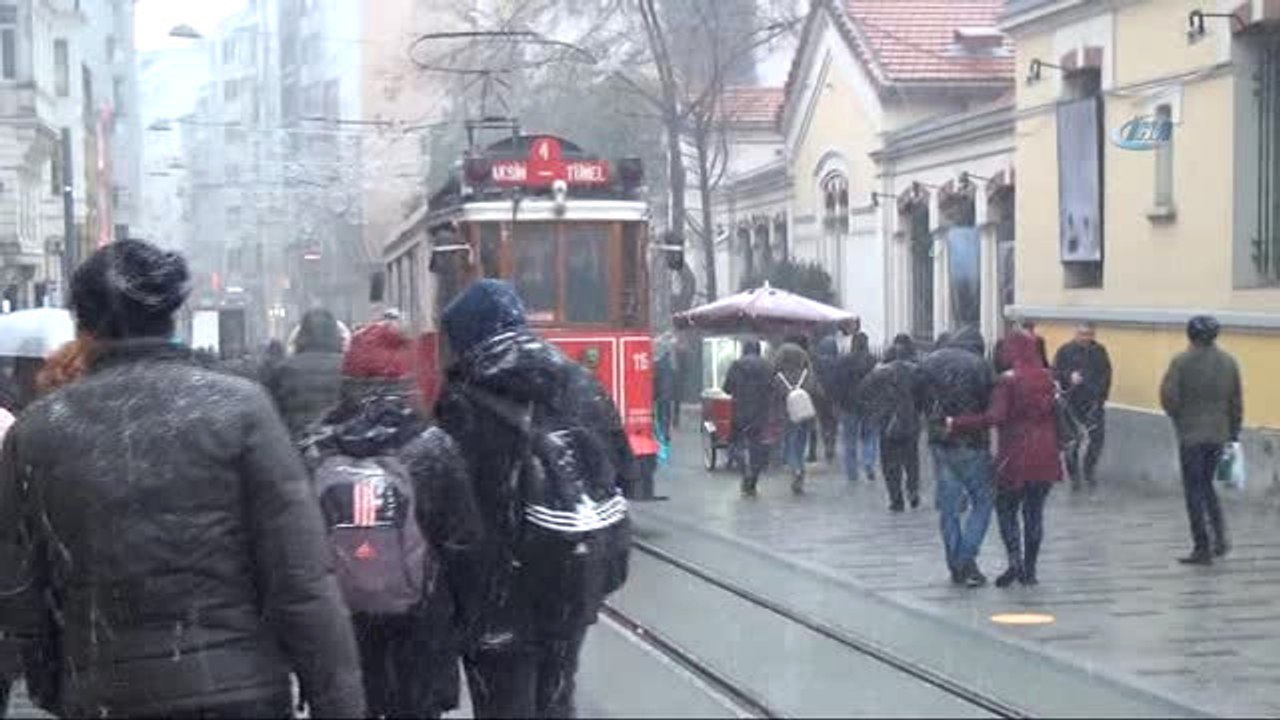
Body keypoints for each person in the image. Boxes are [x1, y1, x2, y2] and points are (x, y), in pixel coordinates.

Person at [0, 240, 365, 718]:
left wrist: (58, 682)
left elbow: (20, 590)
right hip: (237, 687)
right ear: (172, 317)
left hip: (109, 691)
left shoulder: (40, 431)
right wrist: (336, 700)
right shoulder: (242, 410)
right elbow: (301, 577)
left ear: (83, 327)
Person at [434, 279, 632, 719]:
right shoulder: (581, 382)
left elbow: (454, 511)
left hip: (497, 597)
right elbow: (623, 472)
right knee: (557, 696)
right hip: (570, 580)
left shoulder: (463, 397)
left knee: (505, 704)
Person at [304, 322, 462, 719]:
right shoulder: (432, 448)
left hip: (342, 634)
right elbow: (463, 543)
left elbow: (292, 551)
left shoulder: (316, 447)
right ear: (407, 383)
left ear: (347, 381)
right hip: (419, 631)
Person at [949, 330, 1061, 587]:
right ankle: (1030, 571)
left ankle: (1014, 561)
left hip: (1015, 455)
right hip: (1046, 456)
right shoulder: (1049, 379)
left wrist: (957, 422)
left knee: (1006, 509)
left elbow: (994, 417)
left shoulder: (1008, 381)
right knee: (1034, 512)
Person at [1160, 315, 1241, 566]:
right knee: (1208, 487)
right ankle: (1220, 538)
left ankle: (1202, 546)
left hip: (1191, 436)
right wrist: (1233, 433)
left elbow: (1169, 397)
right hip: (1221, 434)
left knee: (1194, 490)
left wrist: (1180, 419)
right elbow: (1236, 402)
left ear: (1190, 335)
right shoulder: (1229, 362)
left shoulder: (1181, 362)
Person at [919, 327, 997, 588]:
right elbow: (990, 406)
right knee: (983, 501)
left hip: (940, 441)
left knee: (949, 507)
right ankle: (966, 557)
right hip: (972, 442)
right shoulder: (980, 365)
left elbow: (916, 395)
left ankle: (955, 562)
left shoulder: (930, 361)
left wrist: (933, 419)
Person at [860, 334, 923, 512]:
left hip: (887, 421)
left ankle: (896, 499)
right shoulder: (915, 371)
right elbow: (924, 394)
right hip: (910, 420)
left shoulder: (879, 373)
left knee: (890, 463)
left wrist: (876, 407)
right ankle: (912, 489)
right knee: (911, 460)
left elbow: (863, 392)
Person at [266, 308, 345, 437]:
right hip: (335, 438)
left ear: (301, 334)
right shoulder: (347, 366)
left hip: (295, 436)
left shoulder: (284, 368)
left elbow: (273, 410)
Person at [1053, 321, 1112, 490]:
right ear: (1076, 334)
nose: (1086, 338)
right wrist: (1069, 377)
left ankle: (1089, 470)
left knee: (1097, 439)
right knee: (1072, 441)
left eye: (1089, 335)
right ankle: (1074, 476)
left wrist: (1101, 397)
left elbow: (1107, 374)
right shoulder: (1065, 350)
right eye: (1082, 334)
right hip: (1071, 403)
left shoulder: (1099, 351)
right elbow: (1055, 372)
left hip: (1093, 402)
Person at [722, 340, 775, 497]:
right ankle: (753, 478)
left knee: (734, 443)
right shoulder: (767, 366)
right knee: (756, 445)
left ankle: (744, 469)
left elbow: (727, 388)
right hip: (760, 412)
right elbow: (772, 388)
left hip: (740, 410)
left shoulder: (736, 365)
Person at [831, 332, 880, 483]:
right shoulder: (873, 360)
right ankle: (868, 462)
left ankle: (852, 473)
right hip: (869, 405)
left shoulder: (843, 361)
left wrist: (837, 403)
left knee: (850, 441)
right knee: (869, 437)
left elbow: (837, 384)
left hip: (848, 405)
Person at [773, 339, 819, 494]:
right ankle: (800, 469)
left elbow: (775, 396)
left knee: (790, 443)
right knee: (801, 443)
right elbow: (814, 391)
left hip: (788, 415)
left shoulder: (779, 377)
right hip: (805, 414)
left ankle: (796, 469)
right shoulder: (806, 374)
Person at [812, 335, 841, 463]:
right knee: (833, 422)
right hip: (835, 396)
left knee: (823, 422)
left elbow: (814, 378)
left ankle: (826, 442)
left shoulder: (817, 362)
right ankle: (831, 444)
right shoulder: (838, 362)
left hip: (820, 396)